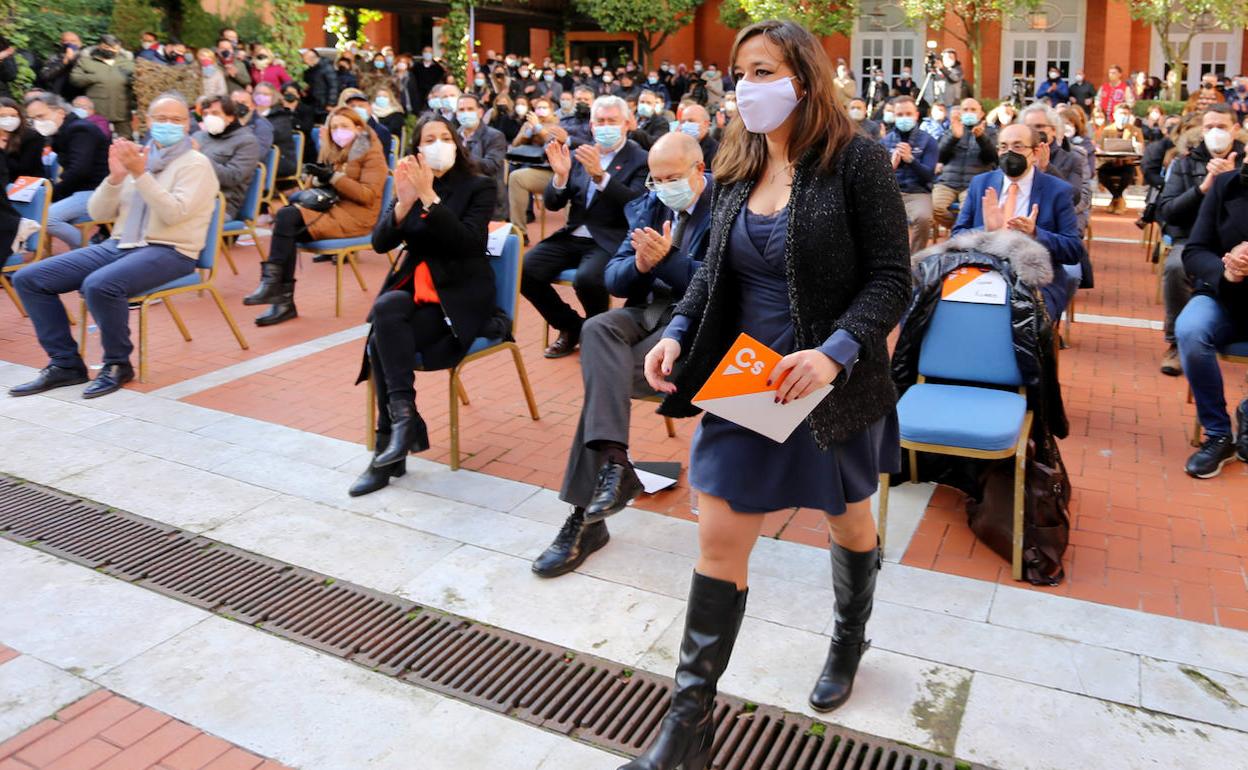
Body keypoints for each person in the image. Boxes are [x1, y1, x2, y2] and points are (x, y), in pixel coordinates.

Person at [624, 22, 910, 770]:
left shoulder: (858, 162)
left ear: (804, 79)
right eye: (739, 73)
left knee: (848, 526)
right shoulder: (734, 165)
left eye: (762, 70)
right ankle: (684, 737)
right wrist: (679, 332)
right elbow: (712, 278)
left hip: (827, 385)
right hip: (746, 383)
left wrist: (834, 354)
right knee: (718, 544)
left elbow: (890, 278)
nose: (747, 86)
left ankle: (849, 639)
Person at [531, 132, 713, 577]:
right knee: (596, 327)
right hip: (648, 312)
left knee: (604, 383)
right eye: (656, 178)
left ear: (699, 171)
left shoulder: (728, 207)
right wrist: (642, 265)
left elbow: (721, 284)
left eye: (673, 177)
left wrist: (667, 259)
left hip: (697, 324)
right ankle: (615, 462)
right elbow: (614, 277)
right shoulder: (651, 204)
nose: (664, 185)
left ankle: (584, 519)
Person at [9, 94, 218, 399]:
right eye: (161, 119)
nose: (168, 125)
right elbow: (98, 214)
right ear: (147, 121)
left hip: (172, 250)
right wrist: (116, 178)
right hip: (121, 243)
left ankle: (117, 364)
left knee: (100, 285)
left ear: (189, 124)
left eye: (176, 119)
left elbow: (173, 213)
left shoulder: (196, 164)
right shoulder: (139, 156)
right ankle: (65, 363)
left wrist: (139, 174)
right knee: (29, 279)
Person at [348, 116, 499, 496]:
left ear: (457, 143)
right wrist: (402, 202)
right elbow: (380, 243)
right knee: (386, 310)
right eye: (429, 139)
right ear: (417, 148)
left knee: (383, 340)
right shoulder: (409, 184)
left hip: (460, 294)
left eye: (445, 137)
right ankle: (403, 419)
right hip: (415, 290)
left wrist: (430, 199)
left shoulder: (479, 185)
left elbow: (467, 243)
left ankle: (389, 449)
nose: (438, 144)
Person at [519, 95, 648, 359]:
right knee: (526, 271)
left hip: (610, 237)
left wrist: (601, 177)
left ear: (626, 124)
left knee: (588, 279)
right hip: (574, 233)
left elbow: (636, 204)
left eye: (612, 120)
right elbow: (554, 205)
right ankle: (572, 327)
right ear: (591, 126)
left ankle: (598, 332)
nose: (605, 126)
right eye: (600, 121)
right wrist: (561, 176)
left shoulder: (640, 158)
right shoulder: (581, 153)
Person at [243, 106, 386, 326]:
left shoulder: (372, 153)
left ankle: (277, 293)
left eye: (344, 126)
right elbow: (315, 187)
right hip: (331, 209)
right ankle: (280, 297)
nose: (339, 132)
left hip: (357, 216)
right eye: (334, 127)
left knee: (286, 221)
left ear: (359, 128)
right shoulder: (334, 149)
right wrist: (318, 177)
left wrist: (334, 178)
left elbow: (367, 196)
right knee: (286, 222)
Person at [953, 123, 1085, 319]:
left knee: (1019, 317)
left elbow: (1073, 250)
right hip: (982, 273)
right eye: (1004, 147)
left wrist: (1035, 233)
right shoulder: (981, 183)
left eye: (1018, 146)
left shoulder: (1057, 191)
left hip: (1036, 280)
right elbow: (956, 237)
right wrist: (987, 231)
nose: (1009, 153)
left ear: (1036, 151)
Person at [1156, 105, 1243, 377]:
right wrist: (1204, 188)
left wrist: (1230, 183)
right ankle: (1174, 342)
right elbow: (1166, 210)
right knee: (1175, 267)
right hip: (1192, 239)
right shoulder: (1185, 162)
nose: (1215, 133)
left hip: (1236, 244)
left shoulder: (1244, 164)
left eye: (1222, 127)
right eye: (1209, 127)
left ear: (1235, 130)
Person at [1175, 160, 1248, 478]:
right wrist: (1228, 271)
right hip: (1223, 294)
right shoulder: (1226, 185)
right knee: (1190, 331)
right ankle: (1218, 433)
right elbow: (1194, 251)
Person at [22, 93, 108, 250]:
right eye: (32, 119)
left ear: (60, 112)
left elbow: (80, 170)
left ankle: (88, 253)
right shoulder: (62, 132)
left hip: (96, 190)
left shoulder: (80, 130)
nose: (37, 123)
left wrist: (53, 194)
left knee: (46, 219)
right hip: (82, 190)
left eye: (41, 116)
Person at [881, 96, 938, 253]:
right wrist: (890, 167)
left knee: (924, 219)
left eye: (908, 113)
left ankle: (915, 259)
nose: (904, 118)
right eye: (900, 115)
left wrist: (911, 160)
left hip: (918, 192)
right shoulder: (885, 141)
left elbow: (929, 175)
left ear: (916, 115)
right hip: (892, 192)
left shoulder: (928, 141)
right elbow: (877, 177)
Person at [191, 96, 261, 222]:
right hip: (189, 195)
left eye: (215, 113)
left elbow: (232, 177)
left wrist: (200, 157)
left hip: (220, 204)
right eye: (205, 114)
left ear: (231, 117)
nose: (209, 118)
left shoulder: (247, 142)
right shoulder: (198, 136)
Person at [932, 98, 996, 229]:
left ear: (981, 113)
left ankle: (960, 230)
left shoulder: (990, 132)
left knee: (967, 212)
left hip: (973, 184)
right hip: (947, 183)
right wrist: (953, 137)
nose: (969, 112)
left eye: (973, 110)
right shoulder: (951, 129)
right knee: (933, 208)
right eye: (965, 109)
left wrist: (981, 138)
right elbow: (940, 156)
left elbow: (992, 158)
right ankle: (957, 229)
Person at [69, 35, 133, 137]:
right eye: (107, 47)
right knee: (96, 139)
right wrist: (94, 78)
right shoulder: (86, 61)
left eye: (114, 48)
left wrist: (128, 80)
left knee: (126, 139)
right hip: (97, 109)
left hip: (122, 109)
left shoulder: (128, 63)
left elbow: (138, 81)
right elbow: (75, 79)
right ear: (100, 46)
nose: (111, 50)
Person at [455, 93, 507, 216]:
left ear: (480, 112)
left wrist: (462, 154)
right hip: (458, 195)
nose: (465, 113)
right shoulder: (453, 136)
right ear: (456, 114)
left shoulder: (495, 136)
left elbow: (490, 166)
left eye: (470, 109)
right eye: (461, 110)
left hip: (485, 196)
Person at [1097, 102, 1145, 214]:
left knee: (1128, 173)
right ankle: (1118, 197)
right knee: (1102, 173)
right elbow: (1102, 147)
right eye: (1121, 113)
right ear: (1114, 115)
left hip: (1127, 162)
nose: (1123, 116)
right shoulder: (1107, 130)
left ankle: (1115, 200)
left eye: (1126, 114)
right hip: (1110, 162)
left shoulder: (1136, 131)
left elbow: (1141, 149)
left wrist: (1137, 146)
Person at [253, 82, 296, 178]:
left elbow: (271, 136)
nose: (261, 97)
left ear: (273, 97)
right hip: (258, 158)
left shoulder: (281, 116)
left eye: (266, 94)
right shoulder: (250, 115)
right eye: (258, 94)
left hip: (280, 160)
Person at [0, 97, 45, 181]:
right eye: (3, 116)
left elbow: (25, 169)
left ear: (19, 117)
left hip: (26, 185)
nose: (8, 119)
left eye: (13, 116)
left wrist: (2, 151)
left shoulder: (32, 136)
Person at [339, 88, 392, 153]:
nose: (356, 109)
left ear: (370, 108)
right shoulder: (341, 129)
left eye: (361, 106)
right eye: (352, 106)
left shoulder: (380, 131)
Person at [229, 89, 273, 159]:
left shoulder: (262, 127)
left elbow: (257, 154)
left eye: (244, 102)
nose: (239, 105)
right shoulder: (226, 122)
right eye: (235, 103)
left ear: (253, 106)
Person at [301, 48, 338, 120]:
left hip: (324, 104)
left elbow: (333, 86)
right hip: (313, 104)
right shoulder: (309, 71)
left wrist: (331, 103)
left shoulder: (327, 68)